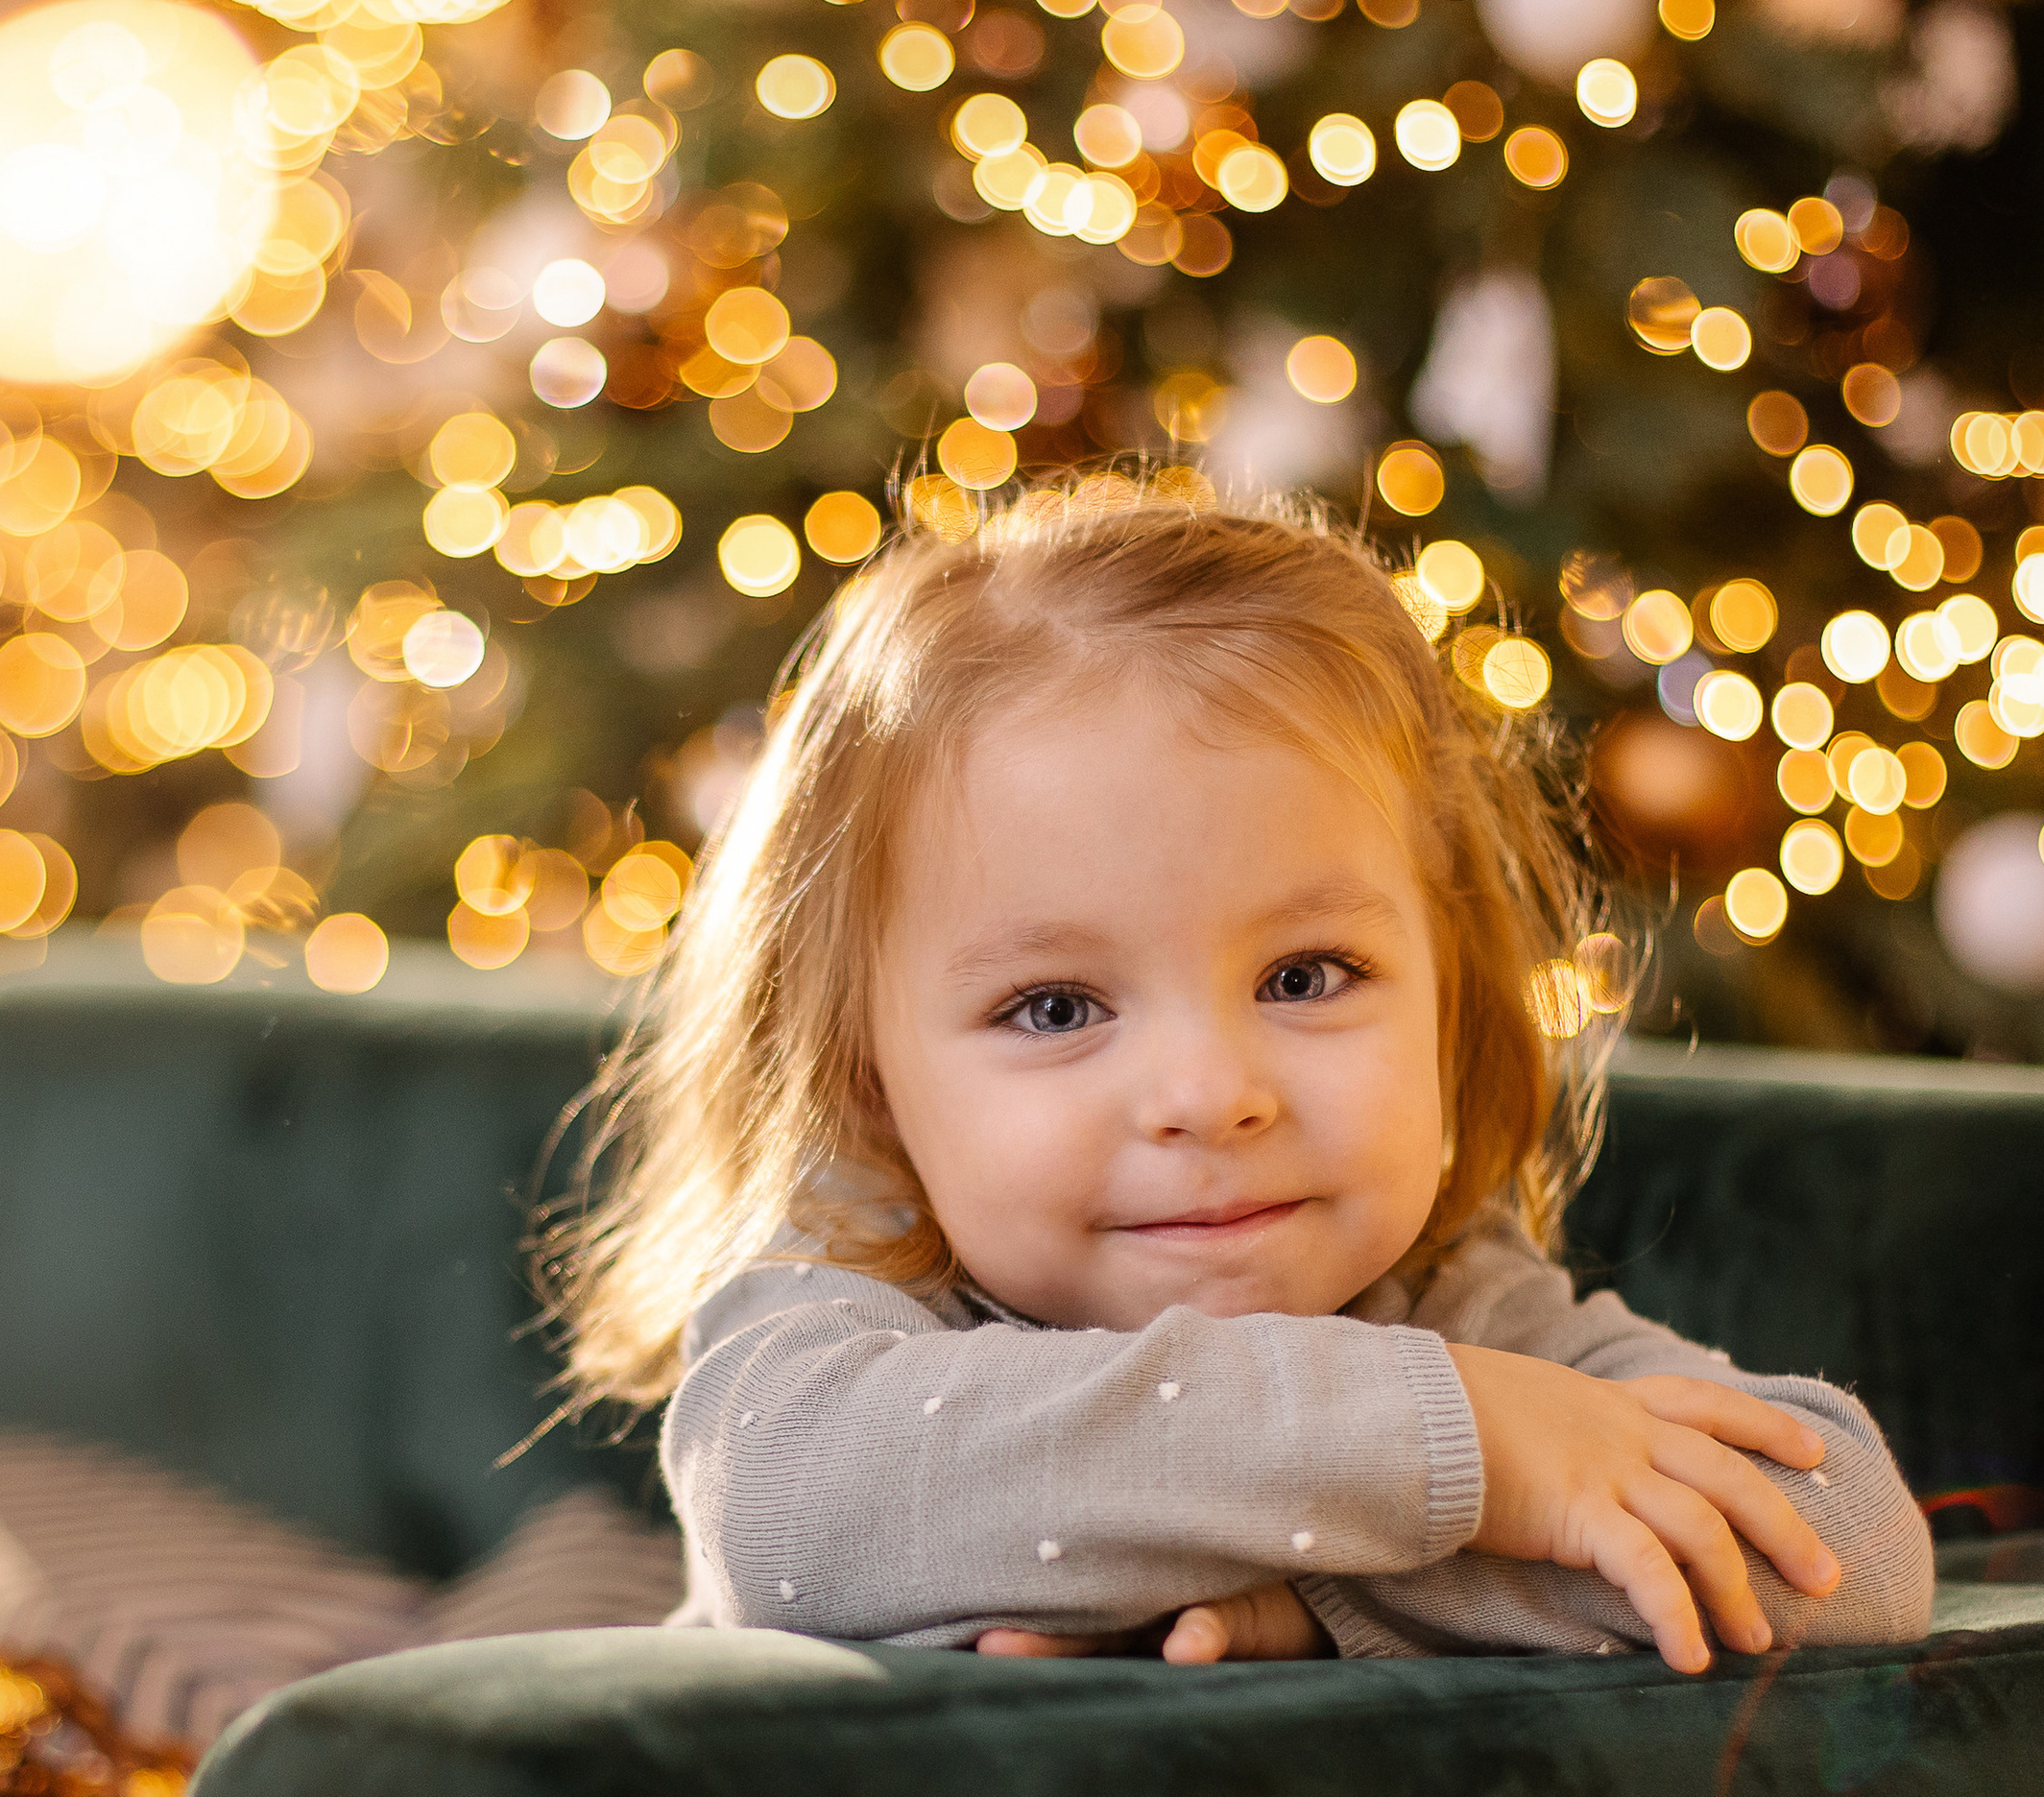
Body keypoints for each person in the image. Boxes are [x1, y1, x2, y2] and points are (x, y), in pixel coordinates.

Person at [546, 475, 1934, 1668]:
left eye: (1305, 979)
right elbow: (793, 1522)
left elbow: (1857, 1550)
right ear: (862, 1075)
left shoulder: (1458, 1307)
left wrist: (1322, 1592)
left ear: (1450, 997)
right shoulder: (850, 1297)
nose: (1211, 1095)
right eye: (1053, 1007)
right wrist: (1467, 1460)